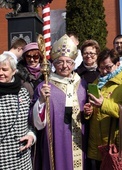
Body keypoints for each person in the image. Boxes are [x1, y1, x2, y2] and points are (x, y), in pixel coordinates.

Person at [31, 34, 88, 170]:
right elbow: (37, 123)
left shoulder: (82, 84)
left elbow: (87, 113)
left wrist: (89, 111)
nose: (64, 66)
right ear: (54, 64)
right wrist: (41, 101)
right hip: (57, 140)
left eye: (69, 62)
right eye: (60, 62)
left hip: (79, 138)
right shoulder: (44, 86)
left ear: (74, 63)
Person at [84, 48, 122, 170]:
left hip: (116, 145)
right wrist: (89, 111)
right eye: (101, 67)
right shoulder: (97, 81)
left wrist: (104, 104)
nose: (104, 71)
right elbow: (95, 108)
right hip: (97, 143)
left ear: (118, 64)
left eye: (108, 67)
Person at [0, 54, 36, 170]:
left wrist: (31, 136)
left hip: (22, 160)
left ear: (14, 71)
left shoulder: (23, 92)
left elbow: (30, 121)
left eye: (4, 69)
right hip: (3, 160)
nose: (0, 73)